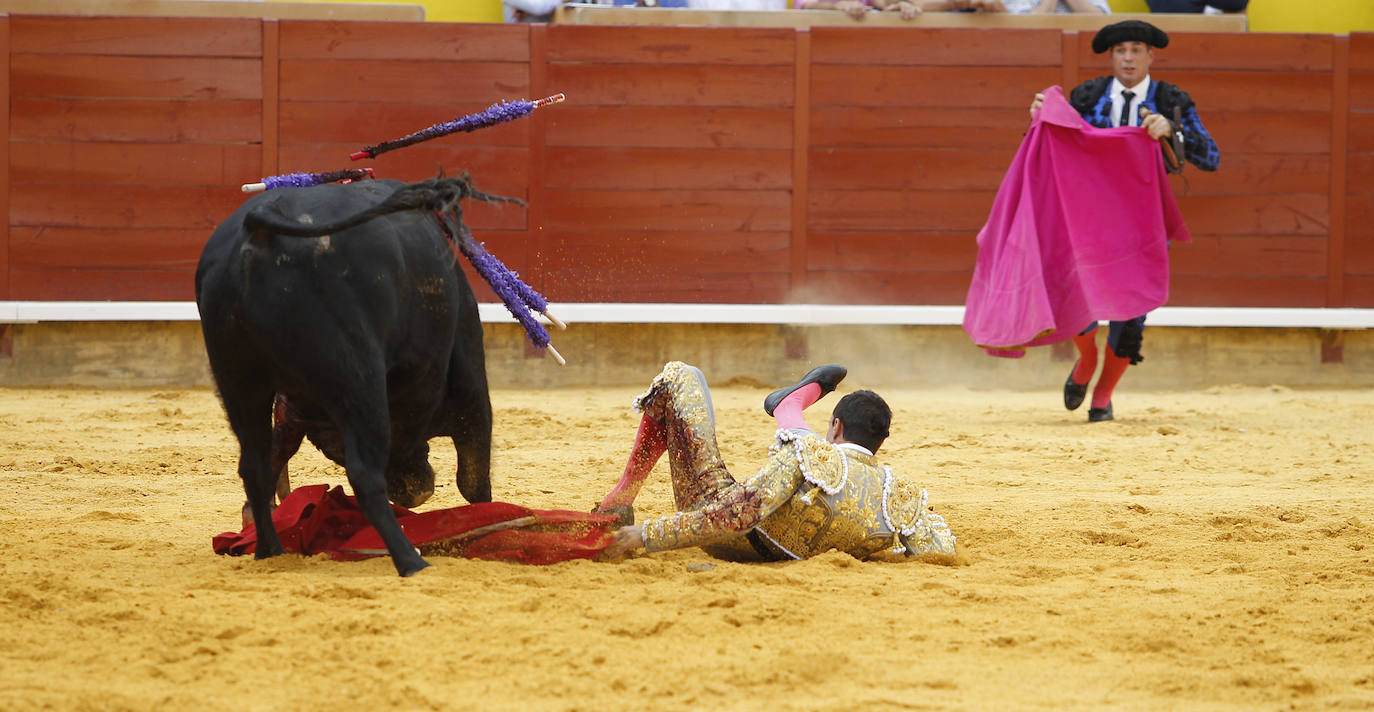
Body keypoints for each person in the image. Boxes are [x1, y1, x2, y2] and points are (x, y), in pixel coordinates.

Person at [1028, 19, 1218, 422]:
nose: (1128, 57)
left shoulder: (1171, 100)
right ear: (1112, 57)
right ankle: (1087, 359)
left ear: (1151, 56)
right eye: (1120, 51)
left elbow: (1210, 156)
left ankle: (1103, 395)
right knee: (1079, 298)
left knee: (1131, 315)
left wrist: (1173, 131)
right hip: (1089, 220)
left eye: (1136, 49)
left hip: (1142, 225)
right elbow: (1054, 144)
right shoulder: (1088, 96)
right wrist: (1040, 116)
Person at [595, 361, 957, 562]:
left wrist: (644, 534)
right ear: (879, 443)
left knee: (682, 376)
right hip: (784, 555)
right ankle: (789, 406)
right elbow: (940, 550)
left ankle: (623, 496)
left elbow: (736, 515)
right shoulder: (899, 496)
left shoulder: (810, 457)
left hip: (732, 537)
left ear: (835, 427)